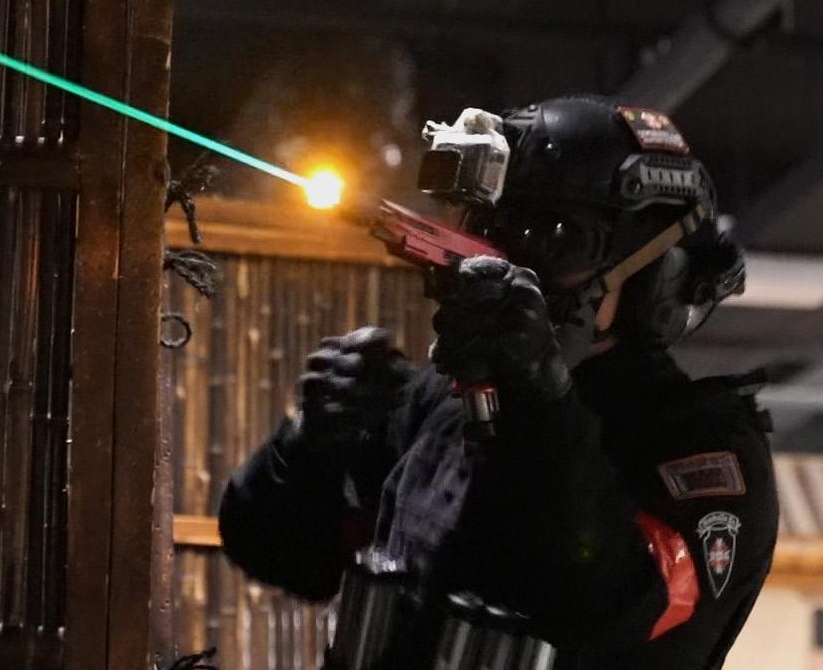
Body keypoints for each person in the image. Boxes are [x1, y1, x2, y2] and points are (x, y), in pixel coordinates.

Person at [218, 96, 777, 669]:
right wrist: (307, 446)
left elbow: (600, 604)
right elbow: (284, 556)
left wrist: (538, 399)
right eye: (494, 230)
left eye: (555, 236)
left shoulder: (705, 452)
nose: (506, 260)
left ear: (657, 274)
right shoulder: (443, 401)